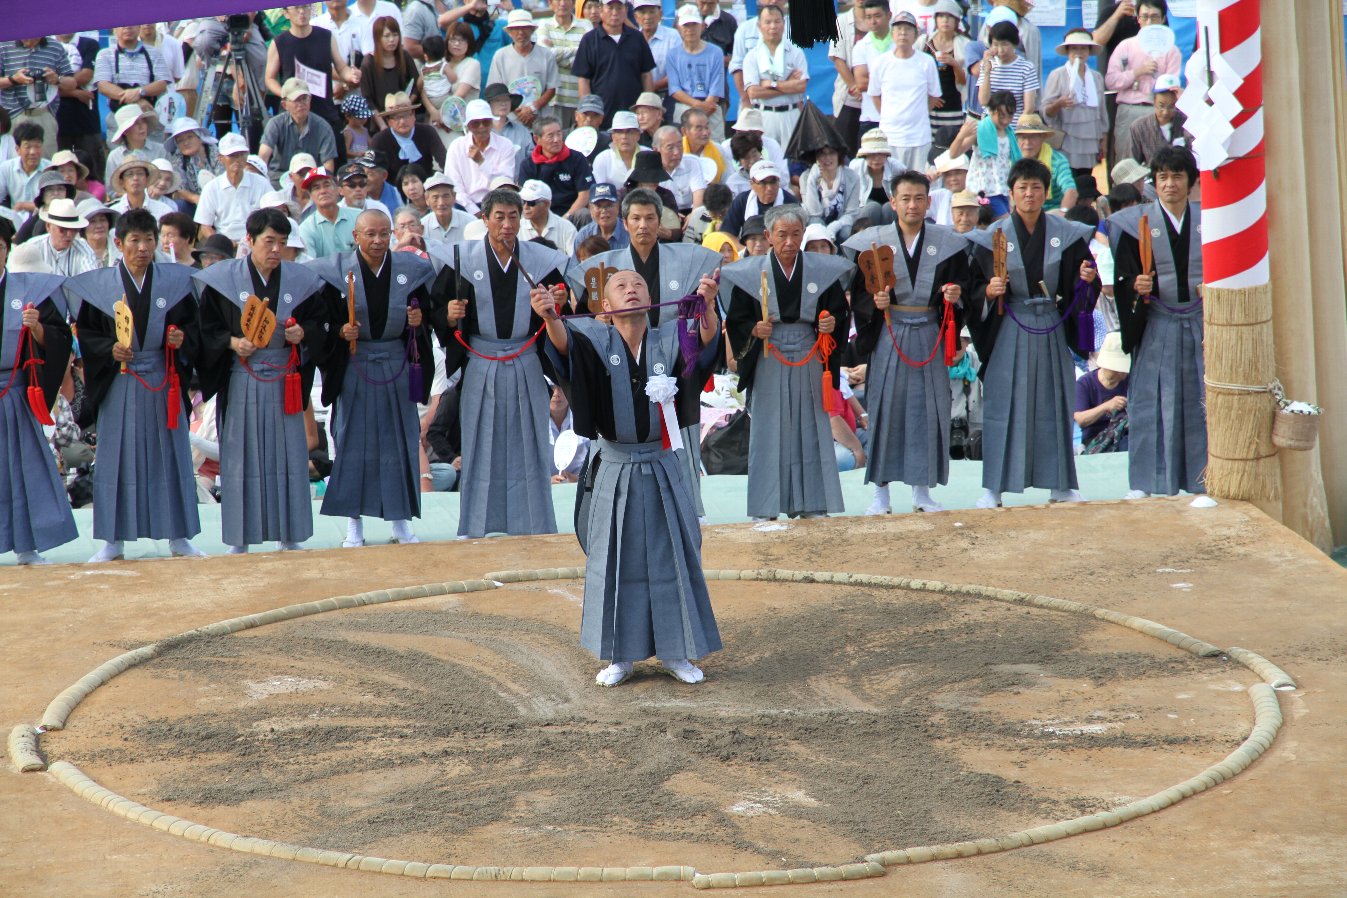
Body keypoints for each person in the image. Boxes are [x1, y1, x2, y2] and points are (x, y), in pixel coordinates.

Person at [536, 267, 722, 686]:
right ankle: (620, 656)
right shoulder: (594, 338)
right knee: (615, 559)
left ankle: (677, 652)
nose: (632, 289)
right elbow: (565, 351)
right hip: (615, 464)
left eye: (638, 283)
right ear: (607, 306)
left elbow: (705, 346)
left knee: (671, 554)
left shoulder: (671, 335)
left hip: (662, 463)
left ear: (650, 295)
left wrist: (707, 306)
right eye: (621, 285)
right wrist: (550, 318)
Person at [571, 186, 721, 513]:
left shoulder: (686, 262)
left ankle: (685, 507)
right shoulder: (605, 267)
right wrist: (600, 319)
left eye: (650, 218)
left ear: (660, 221)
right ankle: (612, 507)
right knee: (617, 431)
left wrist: (706, 304)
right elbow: (584, 321)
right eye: (636, 218)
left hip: (669, 364)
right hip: (617, 364)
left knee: (677, 433)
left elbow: (702, 319)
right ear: (624, 223)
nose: (643, 225)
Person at [432, 187, 571, 539]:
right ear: (484, 219)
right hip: (480, 358)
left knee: (531, 440)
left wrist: (559, 301)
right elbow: (438, 308)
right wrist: (449, 317)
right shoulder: (461, 259)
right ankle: (476, 525)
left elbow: (561, 312)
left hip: (524, 357)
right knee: (479, 439)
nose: (507, 225)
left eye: (513, 217)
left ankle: (534, 522)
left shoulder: (542, 260)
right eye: (499, 217)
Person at [66, 208, 203, 562]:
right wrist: (107, 349)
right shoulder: (101, 287)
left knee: (170, 455)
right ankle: (113, 540)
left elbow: (191, 329)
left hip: (161, 376)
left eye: (149, 240)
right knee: (117, 457)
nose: (143, 248)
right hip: (120, 379)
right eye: (135, 241)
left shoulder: (173, 283)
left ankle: (179, 536)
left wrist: (178, 339)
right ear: (118, 243)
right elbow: (90, 333)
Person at [966, 157, 1099, 509]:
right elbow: (973, 289)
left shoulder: (1067, 234)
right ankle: (994, 487)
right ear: (1010, 194)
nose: (1029, 194)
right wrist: (989, 292)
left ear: (1046, 193)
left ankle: (1061, 484)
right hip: (1011, 324)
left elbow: (1082, 280)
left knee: (1054, 401)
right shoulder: (992, 237)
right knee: (1002, 402)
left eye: (1036, 188)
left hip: (1051, 323)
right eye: (1022, 188)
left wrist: (1086, 281)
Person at [194, 208, 329, 553]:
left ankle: (291, 534)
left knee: (288, 455)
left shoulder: (301, 281)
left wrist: (304, 332)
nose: (275, 250)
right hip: (243, 376)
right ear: (249, 240)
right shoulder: (222, 279)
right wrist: (231, 342)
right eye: (269, 241)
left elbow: (319, 323)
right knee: (242, 456)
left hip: (284, 376)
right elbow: (206, 329)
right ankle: (241, 538)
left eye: (282, 243)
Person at [844, 170, 975, 515]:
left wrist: (955, 295)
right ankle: (880, 494)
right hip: (889, 331)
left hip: (930, 330)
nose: (912, 204)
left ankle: (922, 491)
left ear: (929, 202)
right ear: (893, 202)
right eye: (905, 198)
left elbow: (965, 288)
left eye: (919, 198)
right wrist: (875, 304)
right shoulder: (874, 242)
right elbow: (859, 293)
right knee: (886, 406)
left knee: (928, 409)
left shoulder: (947, 242)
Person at [309, 209, 441, 547]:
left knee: (400, 442)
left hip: (396, 362)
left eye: (384, 234)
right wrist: (340, 330)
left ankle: (400, 522)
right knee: (353, 445)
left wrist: (417, 320)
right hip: (356, 363)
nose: (378, 240)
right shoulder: (335, 272)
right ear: (356, 235)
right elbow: (322, 321)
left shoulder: (411, 270)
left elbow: (426, 315)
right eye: (370, 234)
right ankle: (355, 525)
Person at [723, 204, 853, 520]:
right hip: (770, 353)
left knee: (812, 427)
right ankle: (764, 509)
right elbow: (737, 320)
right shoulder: (749, 273)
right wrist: (754, 328)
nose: (790, 242)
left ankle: (813, 504)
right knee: (768, 429)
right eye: (782, 235)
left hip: (809, 352)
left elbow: (838, 310)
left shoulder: (820, 272)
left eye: (796, 234)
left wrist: (829, 322)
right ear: (768, 236)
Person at [1109, 145, 1204, 497]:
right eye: (1162, 177)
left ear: (1191, 182)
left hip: (1200, 321)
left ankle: (1203, 478)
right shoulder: (1136, 224)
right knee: (1150, 402)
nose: (1169, 184)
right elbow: (1122, 277)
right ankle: (1147, 482)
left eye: (1177, 176)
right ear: (1154, 183)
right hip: (1157, 323)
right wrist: (1135, 284)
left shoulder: (1210, 221)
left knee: (1200, 403)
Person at [0, 219, 76, 564]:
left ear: (7, 251)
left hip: (15, 391)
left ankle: (27, 546)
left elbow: (61, 339)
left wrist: (39, 329)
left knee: (22, 468)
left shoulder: (28, 290)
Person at [265, 4, 362, 168]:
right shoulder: (279, 42)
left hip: (325, 110)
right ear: (286, 13)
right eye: (296, 8)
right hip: (294, 114)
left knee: (335, 165)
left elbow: (341, 68)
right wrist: (286, 94)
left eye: (305, 7)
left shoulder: (325, 36)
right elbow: (269, 78)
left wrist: (351, 75)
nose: (302, 12)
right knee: (295, 166)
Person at [1104, 0, 1180, 154]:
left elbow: (1172, 86)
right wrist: (1137, 72)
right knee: (1127, 162)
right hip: (1129, 109)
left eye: (1154, 17)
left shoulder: (1171, 50)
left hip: (1157, 112)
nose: (1149, 22)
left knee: (1159, 159)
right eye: (1144, 17)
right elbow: (1111, 81)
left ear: (1163, 19)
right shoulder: (1125, 46)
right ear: (1137, 18)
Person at [572, 0, 656, 128]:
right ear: (601, 10)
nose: (615, 12)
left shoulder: (637, 38)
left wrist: (647, 107)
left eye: (619, 8)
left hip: (634, 113)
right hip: (601, 114)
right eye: (610, 8)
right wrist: (590, 112)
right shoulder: (589, 40)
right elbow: (584, 79)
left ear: (626, 11)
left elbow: (646, 74)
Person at [1043, 29, 1108, 180]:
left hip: (1090, 141)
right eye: (1074, 48)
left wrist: (1103, 141)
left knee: (1085, 180)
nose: (1079, 52)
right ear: (1067, 51)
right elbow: (1046, 111)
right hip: (1065, 139)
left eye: (1083, 48)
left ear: (1089, 51)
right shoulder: (1057, 75)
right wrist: (1059, 103)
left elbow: (1102, 113)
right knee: (1065, 179)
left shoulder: (1097, 77)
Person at [741, 5, 807, 150]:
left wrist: (772, 84)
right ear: (759, 25)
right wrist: (788, 84)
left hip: (791, 113)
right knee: (766, 156)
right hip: (764, 115)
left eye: (777, 22)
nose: (773, 26)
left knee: (793, 159)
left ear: (784, 24)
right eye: (768, 22)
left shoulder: (795, 52)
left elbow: (801, 86)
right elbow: (753, 92)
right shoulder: (752, 56)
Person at [0, 36, 75, 160]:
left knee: (46, 164)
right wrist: (13, 79)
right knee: (11, 165)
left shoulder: (55, 47)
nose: (27, 40)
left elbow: (72, 83)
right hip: (12, 116)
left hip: (44, 114)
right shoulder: (4, 45)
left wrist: (57, 79)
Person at [442, 99, 517, 214]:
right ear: (468, 126)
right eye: (476, 123)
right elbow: (454, 186)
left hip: (498, 204)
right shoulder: (456, 147)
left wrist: (481, 162)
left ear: (492, 122)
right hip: (464, 206)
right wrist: (474, 211)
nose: (481, 127)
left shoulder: (505, 145)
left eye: (486, 122)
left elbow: (504, 184)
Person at [488, 9, 560, 128]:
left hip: (541, 121)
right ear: (509, 32)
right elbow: (495, 90)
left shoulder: (546, 55)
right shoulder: (500, 56)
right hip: (511, 121)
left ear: (532, 30)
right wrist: (518, 111)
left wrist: (533, 108)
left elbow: (552, 88)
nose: (520, 32)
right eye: (515, 28)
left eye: (525, 27)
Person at [259, 78, 340, 184]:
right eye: (296, 100)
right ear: (284, 105)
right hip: (278, 179)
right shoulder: (275, 124)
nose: (301, 104)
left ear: (310, 100)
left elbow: (328, 166)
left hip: (311, 179)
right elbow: (263, 156)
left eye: (304, 98)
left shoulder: (323, 127)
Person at [952, 89, 1018, 217]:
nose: (1005, 121)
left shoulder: (1010, 134)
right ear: (991, 111)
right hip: (983, 191)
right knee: (1005, 226)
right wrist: (961, 135)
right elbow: (954, 154)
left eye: (1009, 116)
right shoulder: (981, 131)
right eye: (1001, 115)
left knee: (997, 233)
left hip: (1002, 190)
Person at [194, 133, 271, 242]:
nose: (238, 159)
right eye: (233, 155)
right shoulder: (211, 188)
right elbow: (205, 226)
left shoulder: (261, 183)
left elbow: (273, 215)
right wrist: (221, 243)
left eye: (242, 154)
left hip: (256, 241)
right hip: (224, 242)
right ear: (221, 158)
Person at [666, 5, 726, 141]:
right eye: (686, 25)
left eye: (694, 24)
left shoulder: (716, 52)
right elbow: (675, 89)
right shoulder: (672, 55)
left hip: (711, 107)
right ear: (679, 28)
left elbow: (716, 87)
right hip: (684, 107)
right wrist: (698, 106)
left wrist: (705, 106)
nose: (690, 29)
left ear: (702, 26)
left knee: (714, 150)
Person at [518, 114, 594, 219]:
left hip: (570, 214)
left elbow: (585, 193)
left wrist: (566, 218)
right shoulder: (528, 165)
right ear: (536, 139)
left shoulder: (577, 158)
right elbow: (525, 198)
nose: (556, 139)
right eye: (550, 135)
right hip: (539, 214)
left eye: (559, 134)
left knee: (584, 214)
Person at [368, 91, 446, 185]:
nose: (402, 121)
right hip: (393, 191)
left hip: (426, 187)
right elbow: (372, 170)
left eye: (406, 115)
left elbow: (444, 160)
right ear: (388, 121)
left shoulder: (427, 131)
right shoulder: (380, 140)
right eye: (396, 117)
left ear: (413, 115)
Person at [536, 0, 592, 130]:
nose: (563, 3)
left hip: (579, 97)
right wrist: (578, 49)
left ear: (573, 3)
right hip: (554, 98)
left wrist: (556, 53)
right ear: (550, 3)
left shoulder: (585, 25)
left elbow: (589, 57)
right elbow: (546, 55)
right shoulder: (544, 24)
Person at [359, 16, 424, 126]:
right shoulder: (368, 62)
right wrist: (382, 125)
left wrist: (406, 104)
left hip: (406, 116)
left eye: (395, 35)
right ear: (377, 38)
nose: (391, 40)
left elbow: (416, 85)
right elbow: (367, 99)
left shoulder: (404, 56)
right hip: (381, 120)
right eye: (386, 36)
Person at [1074, 330, 1130, 453]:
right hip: (1095, 439)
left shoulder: (1129, 380)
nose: (1120, 373)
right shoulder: (1084, 384)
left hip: (1124, 435)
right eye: (1115, 369)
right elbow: (1080, 420)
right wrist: (1106, 406)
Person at [9, 197, 97, 276]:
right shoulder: (33, 247)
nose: (69, 234)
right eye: (63, 229)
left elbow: (91, 279)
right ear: (48, 227)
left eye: (74, 230)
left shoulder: (83, 247)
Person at [1013, 114, 1078, 213]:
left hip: (1051, 212)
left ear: (1042, 137)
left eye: (1032, 137)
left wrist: (1063, 213)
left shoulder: (1058, 160)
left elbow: (1071, 191)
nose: (1027, 142)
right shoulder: (1010, 159)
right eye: (1023, 137)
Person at [977, 20, 1037, 126]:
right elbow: (983, 101)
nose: (1000, 50)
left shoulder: (1026, 68)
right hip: (990, 127)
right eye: (995, 44)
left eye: (1004, 44)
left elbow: (1029, 108)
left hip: (1014, 127)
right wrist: (986, 72)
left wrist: (1016, 133)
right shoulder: (987, 65)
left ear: (1014, 44)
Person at [720, 159, 798, 240]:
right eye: (763, 183)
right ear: (752, 184)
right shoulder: (742, 201)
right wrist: (745, 250)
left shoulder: (790, 203)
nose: (769, 188)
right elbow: (726, 234)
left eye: (773, 182)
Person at [799, 143, 863, 241]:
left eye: (832, 153)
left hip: (843, 223)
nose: (827, 158)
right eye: (822, 154)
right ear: (815, 157)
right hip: (818, 222)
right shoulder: (805, 177)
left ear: (838, 155)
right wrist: (812, 181)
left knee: (846, 231)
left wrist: (835, 226)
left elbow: (851, 214)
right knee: (815, 223)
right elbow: (813, 214)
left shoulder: (852, 176)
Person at [1126, 74, 1189, 166]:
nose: (1165, 112)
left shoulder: (1187, 123)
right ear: (1154, 101)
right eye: (1161, 106)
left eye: (1171, 107)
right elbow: (1132, 164)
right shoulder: (1139, 127)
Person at [298, 168, 360, 255]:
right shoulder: (306, 229)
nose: (323, 191)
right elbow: (309, 265)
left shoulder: (359, 217)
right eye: (316, 188)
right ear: (311, 195)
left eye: (327, 185)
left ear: (338, 189)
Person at [0, 122, 50, 215]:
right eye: (28, 147)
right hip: (14, 222)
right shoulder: (6, 168)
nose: (33, 152)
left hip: (42, 220)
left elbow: (53, 204)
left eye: (37, 146)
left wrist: (23, 205)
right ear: (17, 149)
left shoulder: (50, 169)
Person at [654, 125, 705, 214]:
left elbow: (699, 192)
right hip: (662, 215)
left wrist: (694, 216)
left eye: (680, 145)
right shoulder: (650, 169)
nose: (676, 152)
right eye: (670, 148)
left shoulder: (692, 162)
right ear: (656, 150)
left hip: (690, 212)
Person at [519, 179, 579, 255]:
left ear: (546, 204)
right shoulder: (517, 228)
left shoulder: (567, 228)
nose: (525, 206)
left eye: (531, 202)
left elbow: (574, 261)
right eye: (522, 201)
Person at [108, 156, 175, 220]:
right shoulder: (113, 213)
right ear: (121, 182)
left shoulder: (164, 211)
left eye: (140, 173)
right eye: (130, 174)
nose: (135, 178)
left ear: (147, 179)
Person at [591, 110, 642, 189]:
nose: (624, 137)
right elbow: (598, 191)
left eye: (629, 132)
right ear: (613, 136)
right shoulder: (603, 159)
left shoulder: (649, 155)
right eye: (619, 132)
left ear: (638, 135)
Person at [420, 172, 473, 245]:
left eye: (446, 196)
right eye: (435, 197)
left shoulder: (470, 222)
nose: (441, 203)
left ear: (454, 197)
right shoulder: (422, 226)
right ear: (427, 199)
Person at [575, 182, 629, 249]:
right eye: (598, 206)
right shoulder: (583, 236)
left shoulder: (630, 232)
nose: (604, 210)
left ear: (618, 206)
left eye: (609, 205)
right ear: (590, 209)